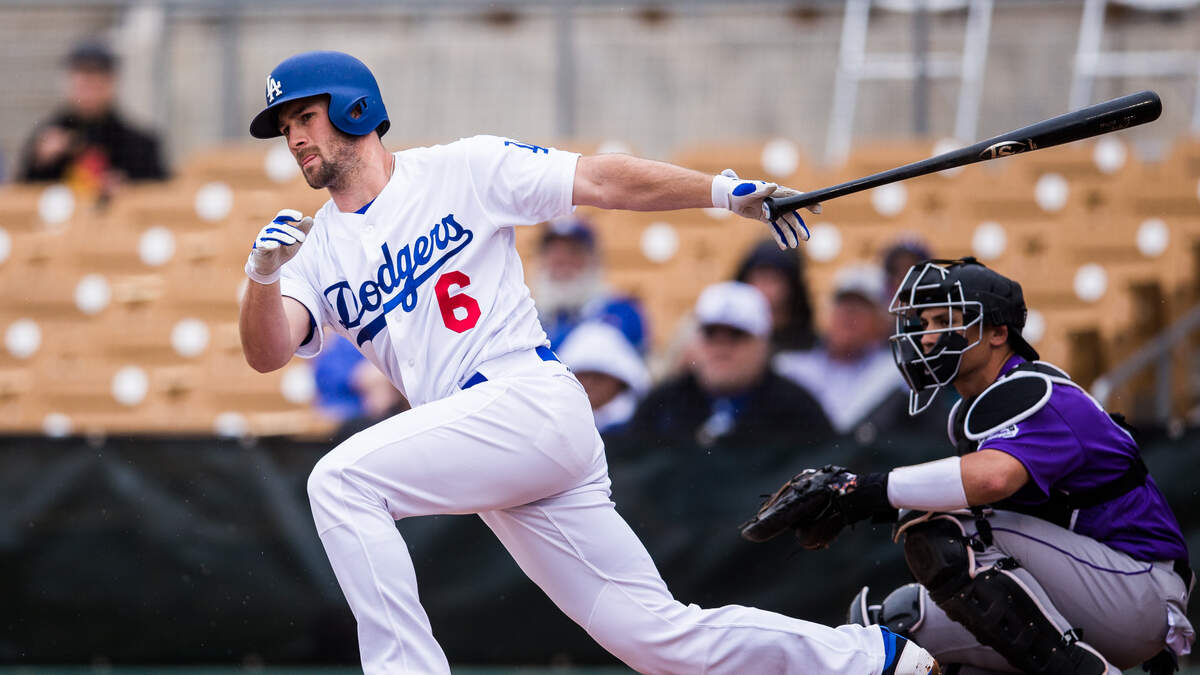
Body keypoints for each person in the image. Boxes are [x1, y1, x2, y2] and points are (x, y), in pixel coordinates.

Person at [238, 50, 938, 675]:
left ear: (356, 108)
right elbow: (267, 353)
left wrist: (721, 193)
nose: (294, 138)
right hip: (490, 450)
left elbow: (600, 179)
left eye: (305, 117)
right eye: (285, 127)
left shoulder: (461, 169)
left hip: (523, 399)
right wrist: (263, 276)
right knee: (659, 640)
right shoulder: (314, 249)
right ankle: (874, 659)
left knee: (340, 481)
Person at [744, 258, 1193, 675]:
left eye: (944, 321)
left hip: (1139, 586)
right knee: (896, 631)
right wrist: (867, 500)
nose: (927, 337)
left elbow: (993, 479)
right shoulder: (978, 407)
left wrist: (861, 492)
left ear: (997, 332)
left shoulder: (1037, 392)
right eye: (924, 324)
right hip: (1096, 588)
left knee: (946, 530)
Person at [625, 281, 834, 449]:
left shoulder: (798, 412)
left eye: (736, 334)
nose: (721, 347)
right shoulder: (661, 407)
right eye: (711, 333)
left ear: (763, 344)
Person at [774, 263, 915, 438]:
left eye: (861, 307)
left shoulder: (899, 375)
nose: (849, 314)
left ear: (881, 322)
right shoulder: (790, 368)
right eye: (843, 304)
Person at [18, 40, 167, 197]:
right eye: (83, 83)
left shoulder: (140, 145)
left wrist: (129, 189)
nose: (89, 91)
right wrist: (40, 164)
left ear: (112, 84)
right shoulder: (45, 139)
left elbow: (161, 196)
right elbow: (19, 195)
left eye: (96, 82)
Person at [533, 215, 648, 352]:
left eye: (573, 252)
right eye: (554, 252)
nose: (561, 260)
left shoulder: (621, 312)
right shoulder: (529, 318)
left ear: (592, 260)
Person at [556, 321, 649, 436]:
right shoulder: (556, 426)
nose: (590, 383)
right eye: (583, 375)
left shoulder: (641, 429)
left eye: (598, 377)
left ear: (620, 382)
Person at [734, 238, 817, 353]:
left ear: (792, 286)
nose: (764, 289)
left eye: (773, 280)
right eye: (759, 278)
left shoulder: (812, 348)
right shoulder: (727, 340)